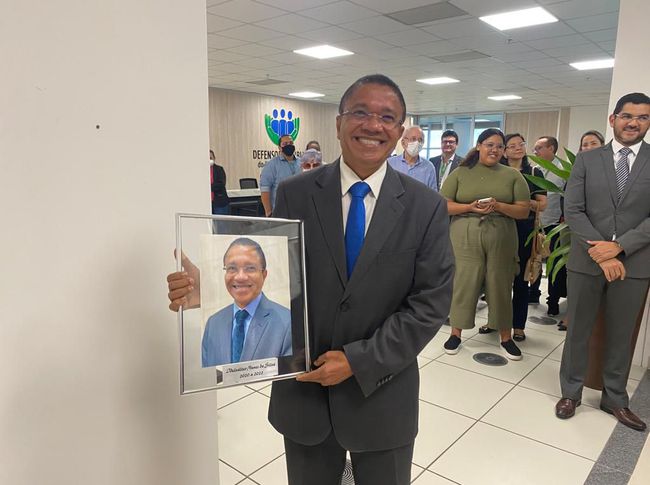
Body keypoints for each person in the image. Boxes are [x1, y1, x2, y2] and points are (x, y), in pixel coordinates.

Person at [168, 74, 454, 484]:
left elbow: (430, 304)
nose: (373, 125)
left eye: (387, 117)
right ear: (338, 124)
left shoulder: (426, 206)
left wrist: (358, 360)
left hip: (383, 392)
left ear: (399, 131)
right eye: (360, 112)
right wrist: (212, 293)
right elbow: (274, 275)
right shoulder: (294, 193)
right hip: (305, 394)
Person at [556, 92, 650, 432]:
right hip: (587, 259)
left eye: (642, 117)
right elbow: (573, 209)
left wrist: (619, 248)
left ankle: (615, 398)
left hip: (634, 263)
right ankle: (571, 392)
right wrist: (600, 249)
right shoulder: (587, 160)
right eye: (627, 116)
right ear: (613, 119)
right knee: (578, 329)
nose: (634, 123)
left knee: (621, 334)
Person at [440, 128, 530, 360]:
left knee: (500, 284)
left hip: (502, 236)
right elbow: (443, 205)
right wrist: (469, 207)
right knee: (464, 283)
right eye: (490, 145)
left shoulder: (512, 175)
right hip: (464, 234)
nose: (495, 150)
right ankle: (455, 334)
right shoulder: (460, 173)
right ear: (479, 145)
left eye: (500, 146)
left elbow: (523, 210)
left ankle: (505, 337)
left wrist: (498, 206)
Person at [202, 237, 292, 367]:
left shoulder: (287, 323)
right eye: (232, 268)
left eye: (250, 268)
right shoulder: (213, 324)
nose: (240, 277)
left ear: (264, 275)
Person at [496, 134, 547, 341]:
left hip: (524, 232)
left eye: (521, 144)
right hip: (499, 229)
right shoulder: (497, 172)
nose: (518, 148)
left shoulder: (534, 172)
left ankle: (518, 326)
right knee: (497, 281)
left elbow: (543, 204)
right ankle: (495, 321)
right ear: (504, 151)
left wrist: (521, 202)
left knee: (521, 281)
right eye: (512, 145)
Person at [557, 130, 606, 331]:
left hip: (605, 236)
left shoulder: (611, 171)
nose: (588, 147)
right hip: (577, 233)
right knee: (577, 279)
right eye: (584, 144)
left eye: (593, 143)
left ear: (603, 146)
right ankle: (571, 315)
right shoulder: (578, 171)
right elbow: (570, 204)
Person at [529, 136, 567, 316]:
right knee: (534, 258)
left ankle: (553, 300)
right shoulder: (535, 169)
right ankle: (533, 292)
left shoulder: (563, 171)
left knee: (553, 264)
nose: (535, 151)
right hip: (536, 222)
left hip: (555, 224)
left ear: (551, 148)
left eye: (539, 148)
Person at [260, 134, 300, 216]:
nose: (288, 145)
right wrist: (268, 213)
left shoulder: (301, 162)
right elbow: (265, 190)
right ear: (279, 148)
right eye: (285, 144)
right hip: (280, 213)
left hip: (299, 211)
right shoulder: (271, 165)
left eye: (291, 143)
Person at [210, 149, 230, 215]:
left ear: (214, 158)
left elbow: (221, 184)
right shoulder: (202, 171)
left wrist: (209, 187)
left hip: (219, 202)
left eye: (211, 158)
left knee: (221, 221)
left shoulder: (219, 169)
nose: (209, 160)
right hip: (207, 203)